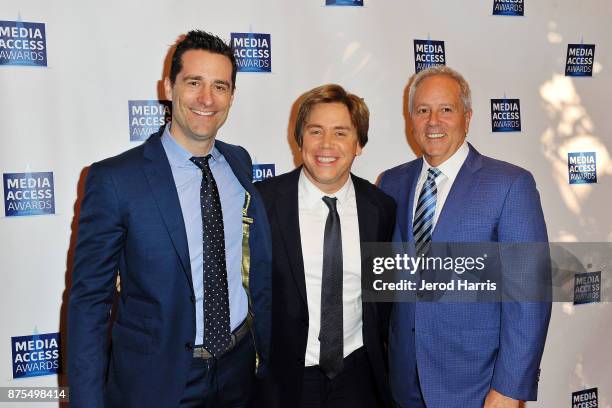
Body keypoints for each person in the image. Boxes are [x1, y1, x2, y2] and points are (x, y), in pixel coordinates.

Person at [67, 30, 272, 408]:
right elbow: (89, 303)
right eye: (194, 82)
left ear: (231, 96)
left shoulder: (238, 162)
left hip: (238, 370)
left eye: (220, 86)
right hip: (158, 381)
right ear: (168, 87)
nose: (207, 99)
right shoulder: (114, 181)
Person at [379, 66, 551, 408]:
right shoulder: (391, 183)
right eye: (422, 110)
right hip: (402, 384)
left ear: (468, 117)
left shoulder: (509, 185)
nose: (433, 121)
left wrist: (510, 388)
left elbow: (529, 295)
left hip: (476, 386)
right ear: (410, 118)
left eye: (446, 109)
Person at [255, 84, 396, 407]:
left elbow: (384, 299)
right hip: (283, 382)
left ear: (359, 143)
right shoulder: (262, 204)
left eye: (341, 133)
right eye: (315, 131)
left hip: (359, 378)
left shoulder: (381, 208)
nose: (326, 145)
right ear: (299, 138)